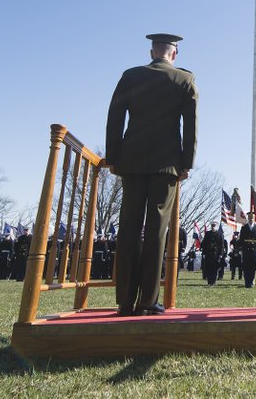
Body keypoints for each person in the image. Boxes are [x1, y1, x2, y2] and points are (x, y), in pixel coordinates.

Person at [105, 33, 197, 317]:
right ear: (174, 54)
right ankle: (148, 299)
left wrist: (114, 157)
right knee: (156, 230)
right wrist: (186, 163)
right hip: (165, 164)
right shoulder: (184, 80)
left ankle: (124, 301)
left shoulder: (130, 76)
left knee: (129, 227)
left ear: (151, 52)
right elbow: (190, 127)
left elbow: (115, 118)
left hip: (131, 161)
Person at [238, 213, 256, 288]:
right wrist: (241, 249)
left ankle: (251, 282)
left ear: (254, 219)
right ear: (248, 219)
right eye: (250, 218)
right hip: (246, 250)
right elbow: (241, 240)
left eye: (252, 218)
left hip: (254, 251)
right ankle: (247, 282)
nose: (251, 219)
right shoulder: (244, 228)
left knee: (253, 267)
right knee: (246, 267)